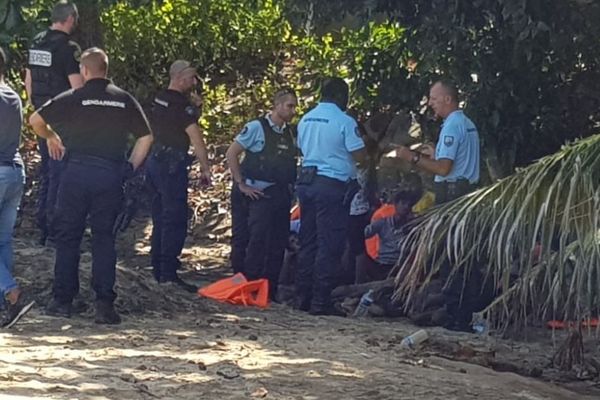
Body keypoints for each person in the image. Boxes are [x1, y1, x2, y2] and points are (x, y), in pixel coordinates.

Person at [29, 47, 153, 324]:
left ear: (84, 71)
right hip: (109, 175)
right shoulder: (123, 99)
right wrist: (130, 167)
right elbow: (146, 137)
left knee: (68, 237)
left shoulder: (75, 97)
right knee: (104, 239)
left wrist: (52, 137)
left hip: (76, 173)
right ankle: (104, 305)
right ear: (105, 69)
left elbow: (35, 120)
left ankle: (62, 300)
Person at [295, 77, 366, 315]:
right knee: (329, 243)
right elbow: (360, 156)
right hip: (331, 186)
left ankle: (302, 298)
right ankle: (320, 301)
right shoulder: (344, 121)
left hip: (306, 182)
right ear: (340, 96)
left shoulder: (306, 118)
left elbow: (302, 148)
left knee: (308, 241)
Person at [226, 87, 298, 300]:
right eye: (289, 106)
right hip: (254, 192)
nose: (293, 111)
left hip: (278, 194)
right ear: (277, 106)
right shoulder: (257, 127)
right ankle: (243, 284)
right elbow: (232, 152)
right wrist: (241, 184)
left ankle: (269, 288)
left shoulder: (290, 132)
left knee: (276, 241)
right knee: (250, 239)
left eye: (294, 106)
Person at [147, 60, 211, 293]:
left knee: (159, 216)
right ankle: (168, 273)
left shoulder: (159, 98)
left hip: (154, 162)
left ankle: (158, 267)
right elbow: (196, 137)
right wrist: (205, 168)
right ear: (180, 77)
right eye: (192, 78)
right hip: (172, 166)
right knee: (174, 217)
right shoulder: (181, 105)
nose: (194, 83)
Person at [26, 1, 83, 245]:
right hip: (63, 121)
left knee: (49, 172)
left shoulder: (37, 42)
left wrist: (36, 109)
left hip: (42, 117)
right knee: (63, 175)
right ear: (70, 18)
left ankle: (45, 226)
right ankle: (57, 232)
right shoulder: (69, 48)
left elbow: (29, 79)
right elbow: (78, 89)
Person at [396, 80, 480, 204]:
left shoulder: (452, 126)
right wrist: (436, 155)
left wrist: (411, 157)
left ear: (447, 99)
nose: (430, 103)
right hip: (467, 194)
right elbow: (461, 161)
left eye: (434, 99)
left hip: (452, 197)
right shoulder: (466, 122)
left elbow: (443, 169)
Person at [0, 48, 35, 329]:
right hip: (14, 171)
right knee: (3, 241)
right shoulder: (12, 95)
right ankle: (7, 304)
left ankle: (11, 291)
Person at [357, 189, 419, 283]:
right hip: (381, 264)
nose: (406, 207)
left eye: (409, 205)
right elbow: (361, 235)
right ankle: (358, 283)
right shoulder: (383, 222)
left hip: (399, 266)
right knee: (361, 256)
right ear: (396, 204)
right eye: (403, 203)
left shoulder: (411, 226)